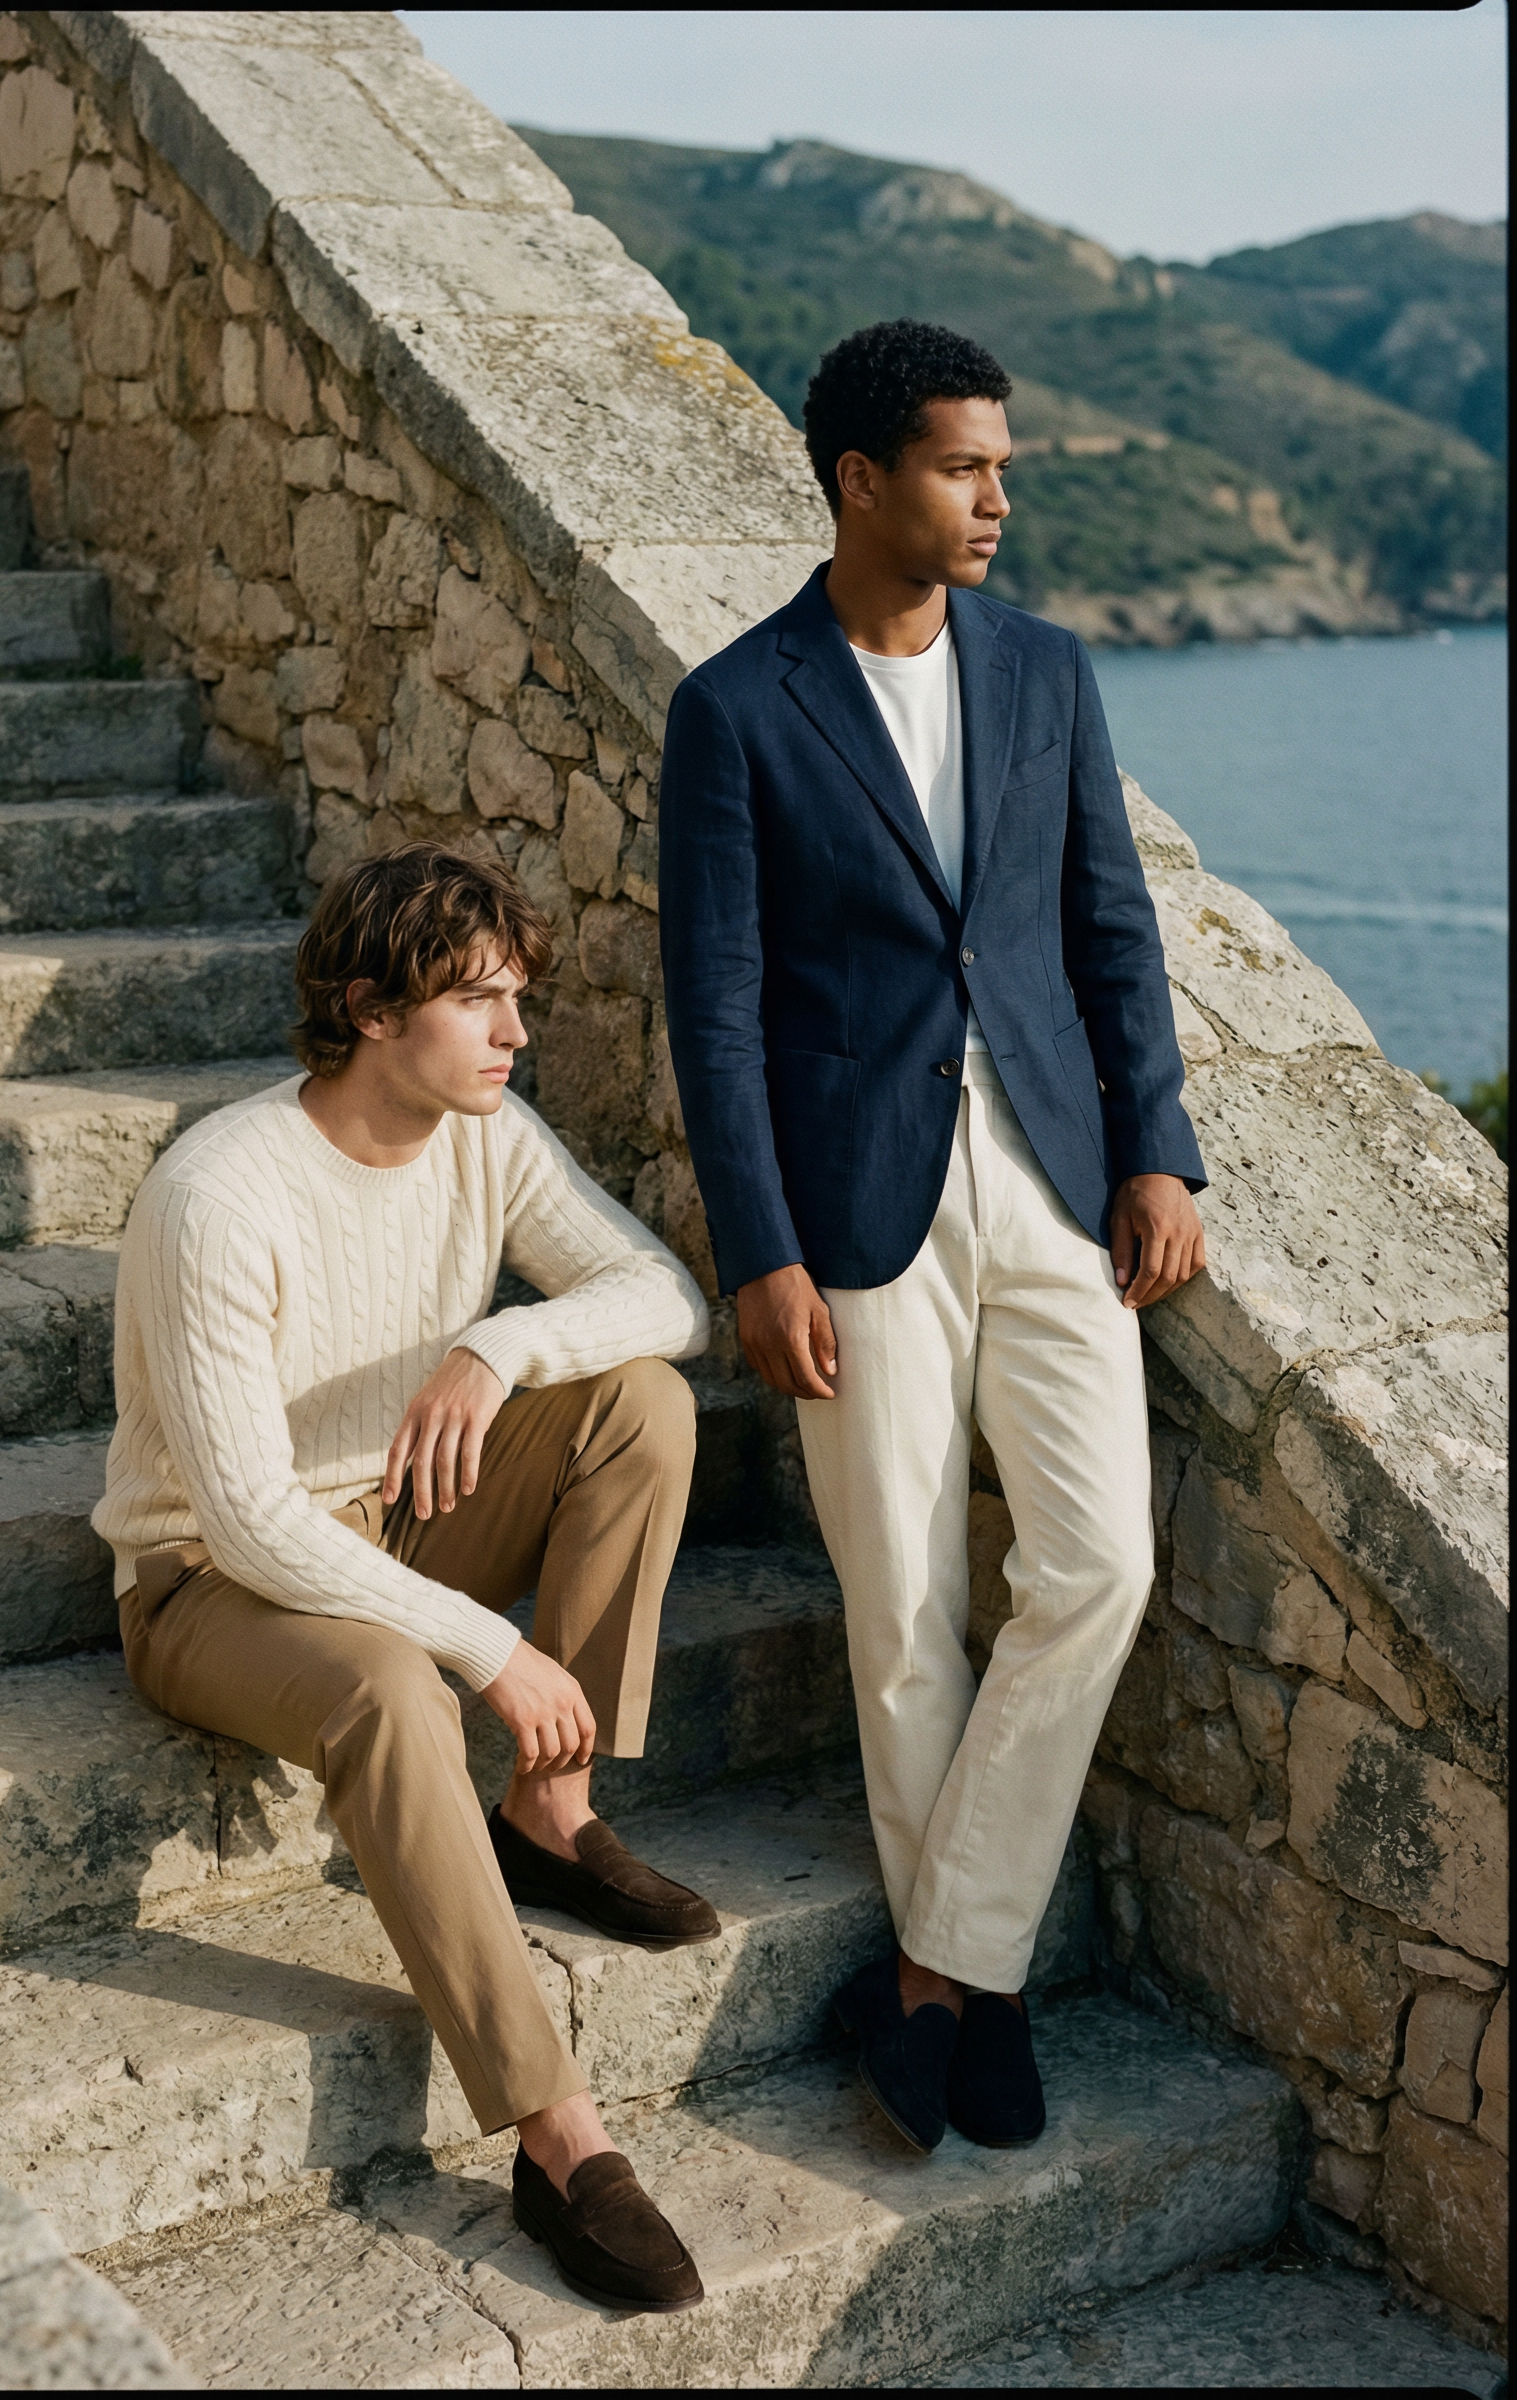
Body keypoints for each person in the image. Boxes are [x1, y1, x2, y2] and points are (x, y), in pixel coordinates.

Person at [657, 318, 1208, 2156]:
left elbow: (1107, 927)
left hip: (1054, 1177)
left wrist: (1163, 1152)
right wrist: (761, 1248)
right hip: (855, 1200)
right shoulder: (736, 708)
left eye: (1002, 468)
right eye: (965, 469)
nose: (994, 501)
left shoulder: (1048, 674)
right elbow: (717, 1010)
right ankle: (993, 1998)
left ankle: (938, 1966)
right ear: (861, 479)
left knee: (1100, 1566)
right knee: (902, 1605)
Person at [96, 840, 719, 2312]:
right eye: (480, 1002)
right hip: (204, 1580)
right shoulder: (220, 1193)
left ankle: (548, 1816)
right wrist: (486, 1650)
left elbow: (666, 1297)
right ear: (373, 1010)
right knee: (393, 1684)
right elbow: (248, 1521)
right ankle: (556, 2133)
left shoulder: (486, 1134)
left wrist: (496, 1348)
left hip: (392, 1508)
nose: (517, 1034)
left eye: (520, 1000)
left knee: (644, 1403)